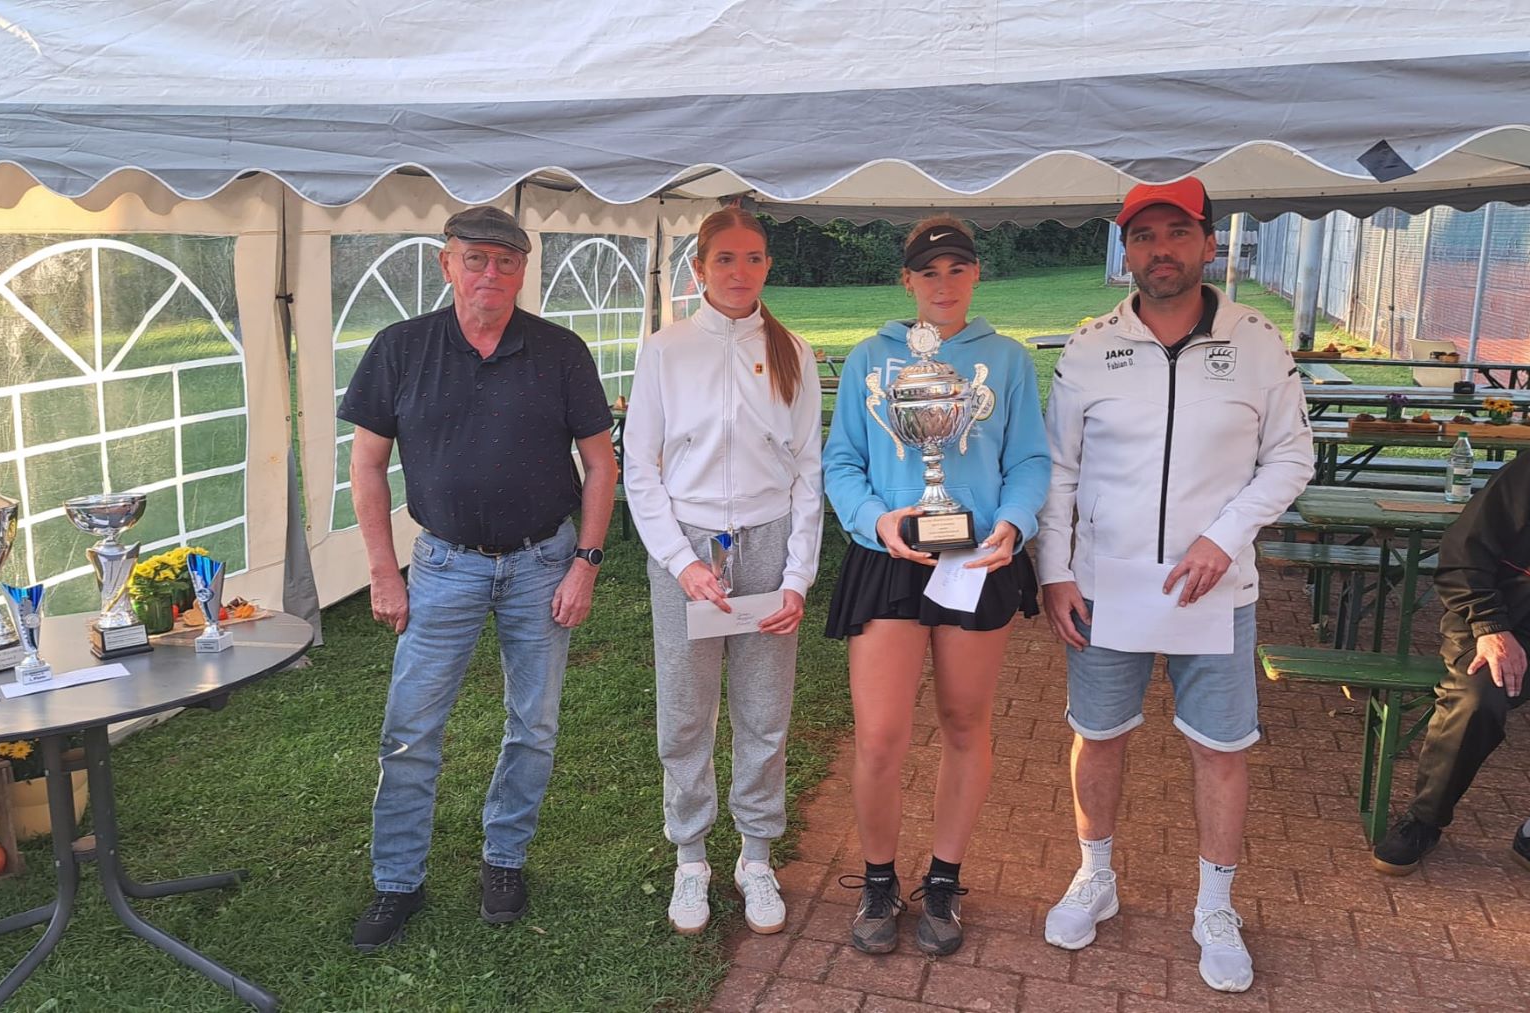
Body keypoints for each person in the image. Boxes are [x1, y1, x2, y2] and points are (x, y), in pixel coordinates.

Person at [1033, 177, 1314, 993]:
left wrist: (1224, 537)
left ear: (1208, 244)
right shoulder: (1090, 345)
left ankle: (1215, 906)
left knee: (1220, 749)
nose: (1161, 249)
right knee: (1098, 733)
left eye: (1177, 232)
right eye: (1144, 236)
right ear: (1127, 251)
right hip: (1106, 585)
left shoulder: (1257, 342)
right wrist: (1055, 571)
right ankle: (1096, 876)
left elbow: (1292, 456)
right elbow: (1058, 470)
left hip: (1215, 590)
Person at [337, 206, 618, 951]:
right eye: (475, 259)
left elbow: (600, 465)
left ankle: (505, 859)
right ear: (446, 265)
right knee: (410, 730)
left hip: (543, 563)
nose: (490, 273)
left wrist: (586, 564)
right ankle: (398, 880)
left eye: (505, 261)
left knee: (535, 724)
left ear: (522, 271)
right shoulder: (401, 348)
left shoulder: (560, 351)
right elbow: (366, 465)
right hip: (442, 565)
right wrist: (382, 570)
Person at [822, 216, 1050, 957]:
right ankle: (878, 879)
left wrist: (1014, 522)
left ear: (976, 273)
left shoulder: (1007, 361)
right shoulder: (871, 358)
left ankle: (944, 879)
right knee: (880, 734)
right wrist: (875, 519)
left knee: (963, 722)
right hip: (889, 554)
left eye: (957, 268)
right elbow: (841, 461)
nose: (943, 284)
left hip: (975, 558)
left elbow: (1030, 459)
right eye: (929, 271)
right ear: (907, 281)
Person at [622, 207, 824, 936]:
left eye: (754, 258)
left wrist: (797, 577)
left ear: (768, 265)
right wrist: (681, 563)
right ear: (700, 267)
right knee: (686, 707)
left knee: (764, 708)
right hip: (690, 549)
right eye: (726, 259)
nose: (741, 272)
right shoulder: (666, 350)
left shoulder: (792, 351)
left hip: (769, 544)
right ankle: (691, 856)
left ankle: (756, 856)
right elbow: (640, 467)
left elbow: (808, 472)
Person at [1372, 370, 1530, 905]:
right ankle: (1425, 819)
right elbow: (1463, 553)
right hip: (1508, 621)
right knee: (1476, 700)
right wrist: (1490, 626)